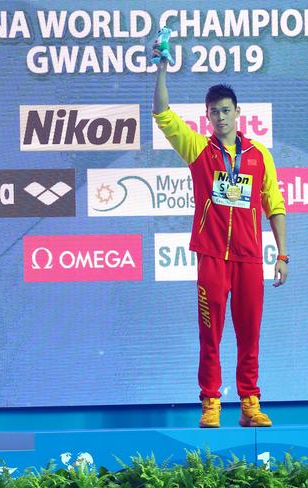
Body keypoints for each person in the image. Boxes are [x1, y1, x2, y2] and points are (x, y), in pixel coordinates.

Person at [152, 42, 288, 428]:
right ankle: (210, 402)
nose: (221, 117)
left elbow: (274, 205)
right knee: (209, 336)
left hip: (248, 257)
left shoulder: (260, 156)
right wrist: (162, 69)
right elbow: (162, 113)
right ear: (207, 117)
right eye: (214, 112)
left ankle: (249, 404)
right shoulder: (198, 148)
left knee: (250, 335)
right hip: (211, 255)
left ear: (238, 113)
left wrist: (282, 254)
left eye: (226, 111)